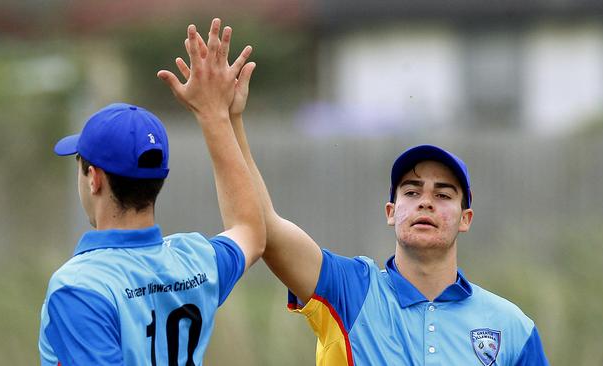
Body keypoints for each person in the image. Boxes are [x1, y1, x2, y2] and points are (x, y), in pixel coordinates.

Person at [175, 26, 549, 365]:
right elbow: (262, 229)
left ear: (466, 218)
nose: (426, 201)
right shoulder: (350, 290)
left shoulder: (511, 328)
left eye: (444, 194)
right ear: (391, 211)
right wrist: (227, 120)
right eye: (412, 190)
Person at [38, 19, 264, 365]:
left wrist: (215, 113)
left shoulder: (80, 287)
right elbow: (250, 230)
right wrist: (217, 115)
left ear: (94, 178)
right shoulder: (195, 260)